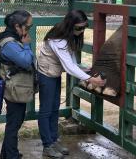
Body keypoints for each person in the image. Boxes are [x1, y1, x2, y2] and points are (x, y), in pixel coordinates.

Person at [37, 10, 106, 158]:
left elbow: (71, 58)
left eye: (83, 27)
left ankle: (54, 140)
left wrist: (81, 69)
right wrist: (90, 79)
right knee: (46, 110)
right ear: (70, 25)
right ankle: (47, 145)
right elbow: (68, 66)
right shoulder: (57, 39)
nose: (81, 31)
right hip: (46, 74)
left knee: (55, 108)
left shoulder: (67, 35)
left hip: (54, 73)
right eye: (78, 28)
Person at [0, 10, 35, 159]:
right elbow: (26, 62)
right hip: (14, 90)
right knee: (14, 124)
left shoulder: (12, 38)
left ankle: (6, 154)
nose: (29, 30)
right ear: (17, 26)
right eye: (28, 27)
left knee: (14, 122)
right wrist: (26, 46)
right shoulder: (10, 44)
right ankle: (12, 156)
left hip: (17, 88)